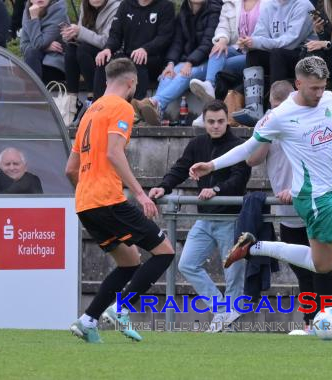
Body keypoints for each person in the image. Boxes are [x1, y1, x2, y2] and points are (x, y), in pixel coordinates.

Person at [190, 56, 332, 341]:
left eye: (322, 87)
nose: (319, 94)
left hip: (326, 194)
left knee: (322, 264)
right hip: (314, 199)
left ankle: (253, 247)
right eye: (313, 89)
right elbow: (248, 146)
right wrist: (212, 165)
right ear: (298, 84)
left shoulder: (331, 101)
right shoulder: (280, 116)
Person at [65, 58, 175, 343]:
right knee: (164, 252)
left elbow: (70, 169)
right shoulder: (121, 107)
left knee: (129, 262)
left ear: (105, 81)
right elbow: (115, 153)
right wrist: (140, 194)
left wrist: (87, 193)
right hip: (107, 200)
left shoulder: (89, 112)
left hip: (85, 203)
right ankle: (121, 307)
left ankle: (88, 320)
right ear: (131, 83)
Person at [148, 100, 251, 332]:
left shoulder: (238, 145)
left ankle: (229, 327)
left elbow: (240, 178)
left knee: (234, 275)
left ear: (228, 121)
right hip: (205, 219)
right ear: (204, 122)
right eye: (211, 122)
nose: (216, 126)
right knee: (187, 263)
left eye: (220, 121)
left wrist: (216, 190)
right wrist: (163, 187)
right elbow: (180, 168)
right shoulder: (197, 144)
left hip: (231, 220)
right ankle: (223, 313)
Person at [247, 80, 332, 335]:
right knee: (302, 273)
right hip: (287, 214)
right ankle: (310, 322)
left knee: (324, 270)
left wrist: (298, 190)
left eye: (282, 107)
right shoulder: (269, 122)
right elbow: (251, 159)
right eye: (274, 108)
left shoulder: (312, 118)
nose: (278, 113)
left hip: (315, 207)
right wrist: (269, 134)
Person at [131, 0, 222, 125]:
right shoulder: (183, 13)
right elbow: (177, 43)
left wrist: (190, 62)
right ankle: (158, 112)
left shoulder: (214, 10)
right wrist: (171, 63)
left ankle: (154, 102)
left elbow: (208, 43)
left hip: (210, 60)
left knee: (185, 74)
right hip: (189, 61)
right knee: (167, 75)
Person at [231, 0, 315, 127]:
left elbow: (290, 42)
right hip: (278, 54)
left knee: (277, 54)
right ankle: (254, 108)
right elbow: (260, 35)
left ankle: (275, 108)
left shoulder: (304, 6)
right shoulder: (269, 5)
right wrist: (249, 43)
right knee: (254, 53)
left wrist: (257, 42)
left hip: (304, 56)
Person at [188, 0, 264, 127]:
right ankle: (209, 86)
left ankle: (209, 111)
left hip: (257, 52)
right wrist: (222, 39)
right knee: (218, 49)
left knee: (223, 67)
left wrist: (253, 42)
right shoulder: (230, 3)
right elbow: (222, 27)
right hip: (238, 49)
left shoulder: (269, 3)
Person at [94, 0, 175, 100]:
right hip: (129, 56)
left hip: (153, 59)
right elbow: (115, 34)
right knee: (104, 60)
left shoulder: (166, 6)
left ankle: (136, 109)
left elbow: (164, 37)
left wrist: (146, 49)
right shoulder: (125, 4)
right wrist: (108, 49)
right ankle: (98, 106)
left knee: (137, 62)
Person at [61, 0, 121, 124]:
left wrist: (80, 31)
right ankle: (72, 101)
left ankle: (92, 97)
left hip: (111, 52)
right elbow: (81, 36)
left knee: (82, 50)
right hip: (89, 50)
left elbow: (107, 41)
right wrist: (71, 35)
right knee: (71, 50)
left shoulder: (116, 6)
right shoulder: (86, 6)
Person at [20, 0, 69, 83]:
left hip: (54, 64)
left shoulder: (59, 12)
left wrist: (34, 18)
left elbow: (38, 43)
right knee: (31, 52)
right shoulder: (28, 11)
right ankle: (34, 93)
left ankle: (34, 92)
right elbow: (23, 46)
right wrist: (46, 48)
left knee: (32, 53)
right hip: (34, 60)